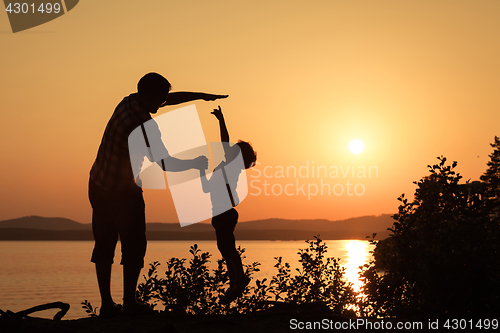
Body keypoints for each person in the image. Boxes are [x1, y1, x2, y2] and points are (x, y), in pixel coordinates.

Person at [89, 72, 227, 316]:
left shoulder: (129, 100)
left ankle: (107, 306)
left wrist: (199, 96)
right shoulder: (145, 126)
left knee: (105, 243)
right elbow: (164, 163)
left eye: (164, 99)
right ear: (148, 95)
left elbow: (169, 99)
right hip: (122, 192)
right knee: (134, 245)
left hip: (98, 184)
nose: (162, 104)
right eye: (159, 100)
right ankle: (129, 303)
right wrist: (194, 162)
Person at [199, 106, 257, 304]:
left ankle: (239, 279)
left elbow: (224, 140)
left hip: (224, 213)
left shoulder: (230, 166)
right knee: (224, 248)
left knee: (228, 247)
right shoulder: (225, 166)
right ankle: (235, 282)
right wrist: (200, 170)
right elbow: (207, 189)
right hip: (220, 213)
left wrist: (221, 120)